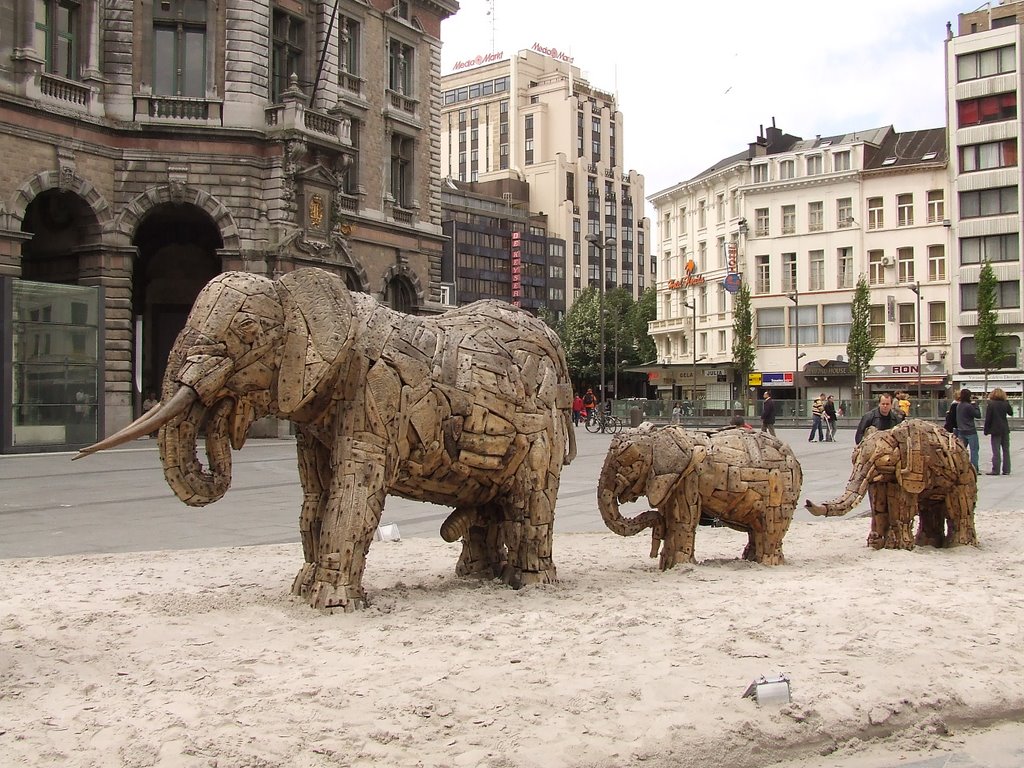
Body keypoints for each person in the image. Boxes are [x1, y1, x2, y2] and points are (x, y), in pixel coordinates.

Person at [983, 387, 1013, 476]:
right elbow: (1011, 413)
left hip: (995, 430)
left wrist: (986, 430)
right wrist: (1007, 403)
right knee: (1006, 450)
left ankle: (996, 470)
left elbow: (988, 418)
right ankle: (1006, 470)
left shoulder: (991, 404)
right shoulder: (1005, 403)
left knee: (996, 451)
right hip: (1005, 429)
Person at [956, 388, 982, 473]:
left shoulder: (959, 405)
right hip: (970, 431)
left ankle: (961, 467)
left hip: (961, 430)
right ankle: (974, 469)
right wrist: (976, 406)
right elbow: (978, 415)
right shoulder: (969, 406)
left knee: (962, 451)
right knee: (974, 450)